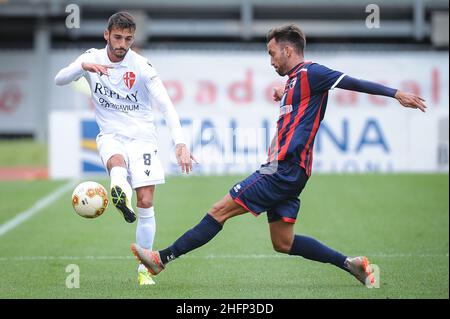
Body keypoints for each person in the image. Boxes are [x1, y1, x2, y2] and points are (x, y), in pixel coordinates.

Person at [130, 24, 426, 287]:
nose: (271, 61)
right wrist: (283, 94)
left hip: (282, 169)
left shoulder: (313, 73)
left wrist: (396, 93)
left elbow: (353, 82)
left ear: (287, 50)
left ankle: (161, 258)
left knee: (219, 210)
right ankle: (351, 263)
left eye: (273, 54)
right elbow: (297, 108)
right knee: (282, 243)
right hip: (292, 173)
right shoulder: (294, 81)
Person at [55, 12, 195, 286]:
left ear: (133, 39)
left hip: (142, 138)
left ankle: (143, 268)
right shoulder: (91, 57)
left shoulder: (142, 66)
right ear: (107, 34)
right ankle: (119, 189)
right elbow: (60, 78)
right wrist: (83, 66)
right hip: (111, 133)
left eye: (128, 39)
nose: (122, 44)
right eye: (117, 37)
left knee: (146, 201)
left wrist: (180, 143)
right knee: (116, 162)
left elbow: (166, 106)